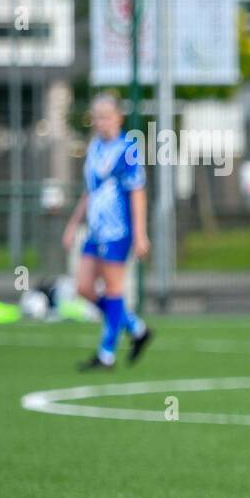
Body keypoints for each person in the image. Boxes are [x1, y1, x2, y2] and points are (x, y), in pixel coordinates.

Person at [62, 93, 153, 370]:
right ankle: (136, 328)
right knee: (84, 288)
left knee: (114, 290)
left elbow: (137, 192)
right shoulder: (94, 148)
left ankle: (106, 354)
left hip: (118, 230)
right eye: (97, 117)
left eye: (106, 116)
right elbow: (90, 192)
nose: (101, 122)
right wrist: (73, 224)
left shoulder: (129, 148)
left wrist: (140, 233)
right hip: (96, 230)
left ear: (118, 117)